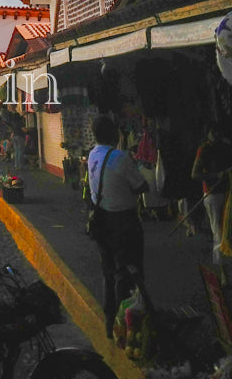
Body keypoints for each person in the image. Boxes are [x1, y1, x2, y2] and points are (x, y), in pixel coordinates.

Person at [87, 115, 149, 339]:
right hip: (123, 222)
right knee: (128, 272)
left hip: (100, 220)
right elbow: (143, 186)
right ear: (114, 133)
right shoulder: (119, 158)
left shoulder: (92, 155)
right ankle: (127, 325)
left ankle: (109, 321)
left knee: (109, 273)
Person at [191, 123, 232, 284]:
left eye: (218, 131)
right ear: (207, 133)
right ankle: (224, 274)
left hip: (231, 192)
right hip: (213, 194)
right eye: (212, 132)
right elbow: (195, 174)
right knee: (219, 233)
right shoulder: (204, 149)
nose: (216, 134)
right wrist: (216, 175)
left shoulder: (227, 146)